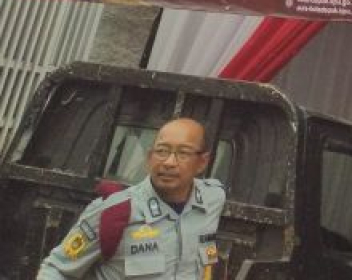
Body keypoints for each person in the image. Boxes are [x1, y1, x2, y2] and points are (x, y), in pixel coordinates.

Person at [37, 117, 225, 279]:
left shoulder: (213, 198)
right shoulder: (116, 210)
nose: (169, 162)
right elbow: (56, 269)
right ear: (149, 158)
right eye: (162, 151)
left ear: (202, 162)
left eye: (183, 153)